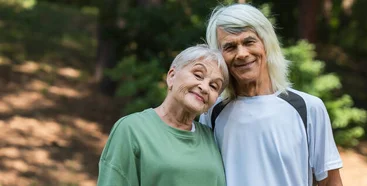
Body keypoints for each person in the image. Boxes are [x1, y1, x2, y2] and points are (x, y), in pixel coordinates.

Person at [202, 3, 343, 186]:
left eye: (249, 41)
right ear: (219, 56)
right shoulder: (211, 112)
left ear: (266, 43)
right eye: (230, 47)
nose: (242, 54)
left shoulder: (307, 108)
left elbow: (330, 182)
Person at [97, 44, 229, 186]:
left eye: (214, 86)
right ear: (171, 76)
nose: (204, 88)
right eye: (198, 75)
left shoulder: (211, 137)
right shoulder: (132, 129)